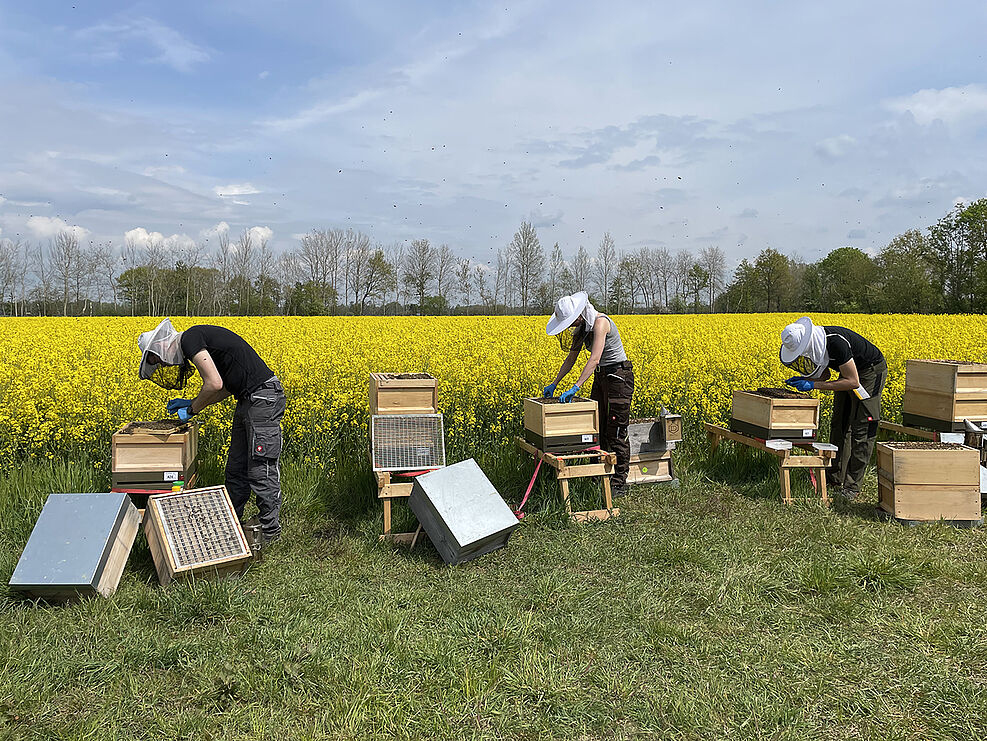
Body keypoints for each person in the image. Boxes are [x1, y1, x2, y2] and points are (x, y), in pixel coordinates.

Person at [137, 319, 286, 542]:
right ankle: (233, 524)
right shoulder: (195, 341)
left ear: (160, 347)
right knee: (236, 469)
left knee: (259, 468)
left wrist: (192, 409)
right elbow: (225, 387)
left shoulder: (189, 338)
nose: (164, 365)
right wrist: (192, 401)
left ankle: (270, 532)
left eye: (157, 360)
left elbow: (213, 383)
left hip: (262, 398)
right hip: (248, 399)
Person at [780, 316, 886, 499]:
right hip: (848, 374)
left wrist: (813, 386)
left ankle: (852, 487)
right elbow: (826, 374)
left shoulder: (835, 342)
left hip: (869, 372)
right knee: (840, 423)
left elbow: (853, 381)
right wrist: (806, 381)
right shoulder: (817, 346)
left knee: (863, 427)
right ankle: (834, 477)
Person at [544, 292, 635, 494]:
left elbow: (594, 359)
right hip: (602, 377)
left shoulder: (600, 323)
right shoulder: (582, 328)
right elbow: (571, 359)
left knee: (616, 430)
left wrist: (576, 386)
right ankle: (597, 476)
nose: (569, 326)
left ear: (578, 315)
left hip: (618, 377)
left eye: (570, 321)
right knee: (596, 429)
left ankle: (619, 483)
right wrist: (555, 383)